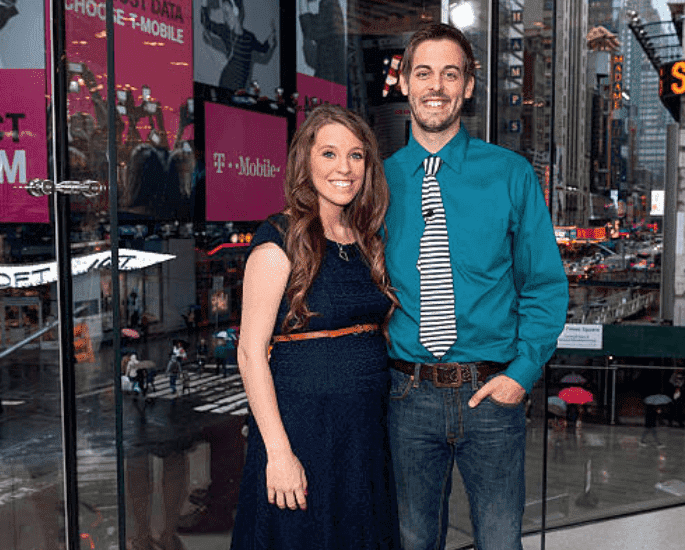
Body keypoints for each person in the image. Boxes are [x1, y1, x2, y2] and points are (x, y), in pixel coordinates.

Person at [383, 23, 568, 549]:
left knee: (500, 541)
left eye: (450, 74)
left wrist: (522, 374)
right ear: (403, 82)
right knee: (413, 541)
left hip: (492, 394)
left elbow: (545, 286)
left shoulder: (510, 174)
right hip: (406, 394)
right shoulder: (378, 181)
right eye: (423, 73)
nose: (435, 86)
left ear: (467, 87)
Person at [230, 103, 399, 549]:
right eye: (329, 153)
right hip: (304, 431)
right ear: (305, 160)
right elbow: (250, 352)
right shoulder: (278, 240)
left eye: (356, 155)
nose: (344, 167)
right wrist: (278, 453)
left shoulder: (367, 240)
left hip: (363, 434)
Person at [200, 0, 277, 91]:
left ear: (236, 11)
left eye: (227, 13)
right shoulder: (226, 32)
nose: (225, 18)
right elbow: (206, 22)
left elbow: (263, 49)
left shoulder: (249, 37)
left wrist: (270, 38)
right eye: (224, 14)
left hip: (241, 86)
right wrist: (204, 2)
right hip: (226, 82)